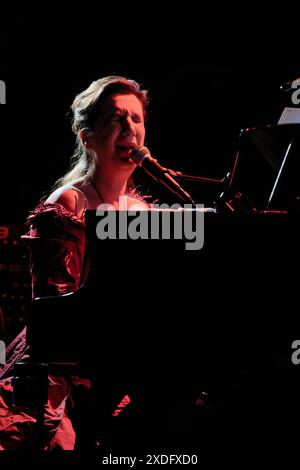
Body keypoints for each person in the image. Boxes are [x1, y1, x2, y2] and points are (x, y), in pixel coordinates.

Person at [0, 75, 151, 450]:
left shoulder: (144, 210)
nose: (129, 128)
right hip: (63, 361)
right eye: (116, 119)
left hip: (124, 352)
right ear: (88, 136)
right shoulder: (70, 202)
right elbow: (57, 309)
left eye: (136, 119)